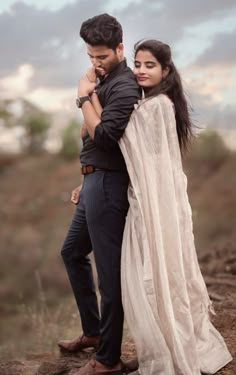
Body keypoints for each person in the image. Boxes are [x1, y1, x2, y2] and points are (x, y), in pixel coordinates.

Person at [118, 39, 233, 374]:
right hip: (159, 200)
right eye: (137, 64)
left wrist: (86, 100)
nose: (140, 70)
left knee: (159, 273)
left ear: (165, 70)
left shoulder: (157, 107)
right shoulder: (156, 103)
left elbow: (119, 137)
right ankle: (164, 342)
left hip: (159, 203)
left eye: (149, 65)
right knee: (159, 271)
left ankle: (171, 348)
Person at [58, 14, 140, 375]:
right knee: (72, 251)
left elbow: (106, 137)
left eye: (102, 57)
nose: (95, 64)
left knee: (109, 274)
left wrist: (83, 94)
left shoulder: (124, 85)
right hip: (94, 181)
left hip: (109, 186)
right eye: (91, 57)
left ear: (120, 48)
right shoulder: (104, 81)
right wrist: (86, 177)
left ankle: (108, 359)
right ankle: (93, 332)